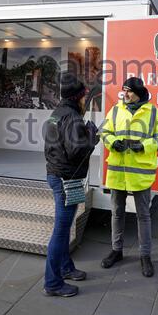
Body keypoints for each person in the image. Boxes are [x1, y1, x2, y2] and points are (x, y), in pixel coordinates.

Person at [100, 77, 158, 277]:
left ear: (139, 92)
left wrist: (143, 146)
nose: (125, 94)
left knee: (143, 216)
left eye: (129, 91)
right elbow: (104, 132)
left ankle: (145, 256)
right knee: (117, 213)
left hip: (140, 175)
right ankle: (116, 251)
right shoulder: (115, 110)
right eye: (124, 90)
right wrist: (113, 142)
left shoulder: (154, 112)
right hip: (118, 172)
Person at [43, 72, 98, 297]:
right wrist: (92, 136)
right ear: (78, 97)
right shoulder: (74, 118)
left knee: (66, 226)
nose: (87, 99)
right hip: (68, 179)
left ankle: (66, 268)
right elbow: (77, 151)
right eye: (85, 96)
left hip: (57, 175)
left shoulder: (57, 113)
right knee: (61, 230)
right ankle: (53, 283)